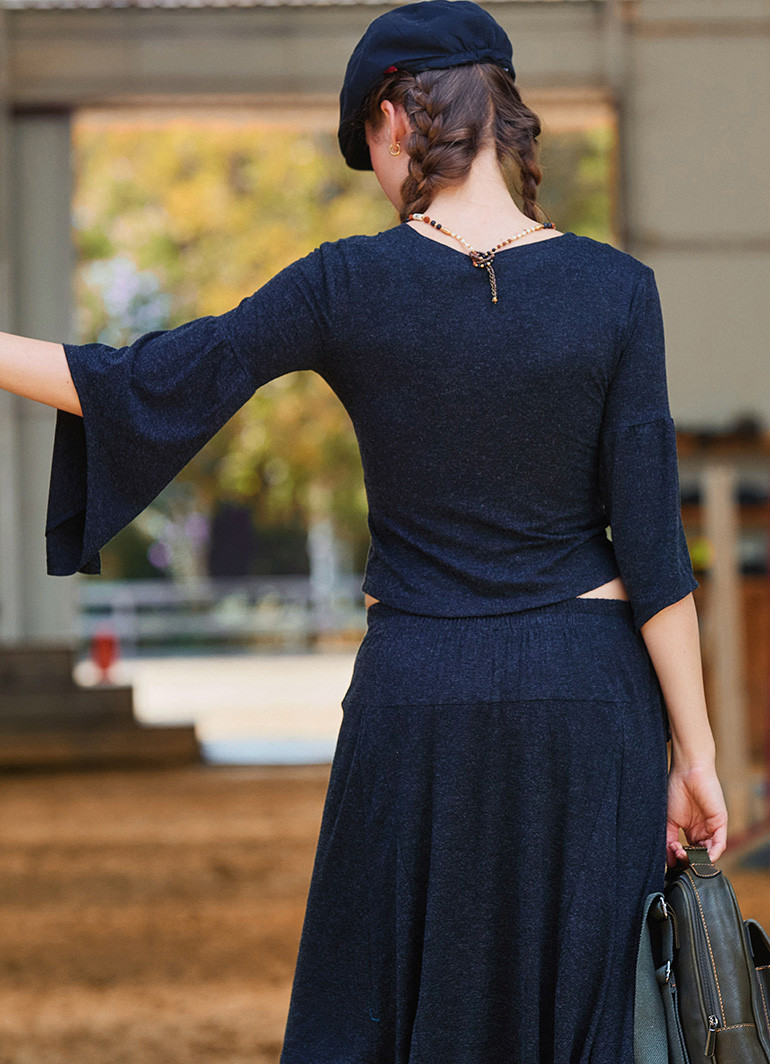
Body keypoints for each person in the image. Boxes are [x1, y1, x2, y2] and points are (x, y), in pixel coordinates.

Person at [0, 0, 728, 1060]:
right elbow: (655, 556)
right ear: (503, 117)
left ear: (393, 119)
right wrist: (694, 755)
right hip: (588, 705)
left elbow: (143, 381)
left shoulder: (346, 282)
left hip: (415, 697)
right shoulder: (620, 292)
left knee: (385, 1012)